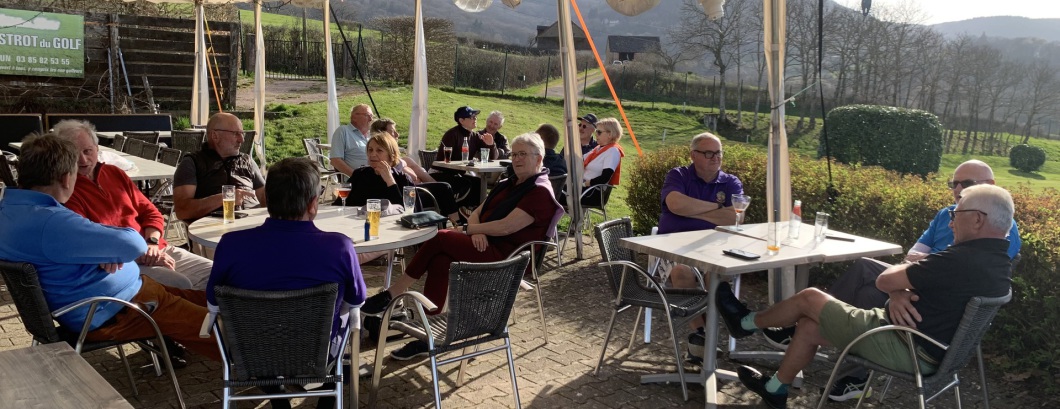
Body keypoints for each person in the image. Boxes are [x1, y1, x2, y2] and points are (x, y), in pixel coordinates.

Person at [718, 184, 1014, 409]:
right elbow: (925, 286)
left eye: (955, 214)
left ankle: (744, 323)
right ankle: (775, 389)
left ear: (977, 219)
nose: (951, 222)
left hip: (905, 346)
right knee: (808, 326)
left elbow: (886, 279)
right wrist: (900, 290)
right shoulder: (999, 262)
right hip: (936, 352)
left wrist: (897, 288)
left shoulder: (958, 259)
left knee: (809, 298)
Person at [779, 159, 1022, 401]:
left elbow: (968, 276)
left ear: (990, 185)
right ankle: (842, 363)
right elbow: (912, 256)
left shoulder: (999, 229)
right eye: (953, 183)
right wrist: (898, 290)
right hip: (916, 284)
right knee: (865, 268)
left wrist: (917, 271)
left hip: (931, 307)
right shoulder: (946, 214)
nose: (957, 189)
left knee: (865, 292)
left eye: (967, 183)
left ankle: (839, 358)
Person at [0, 133, 219, 361]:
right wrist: (111, 247)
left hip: (117, 301)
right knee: (222, 326)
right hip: (117, 310)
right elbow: (133, 243)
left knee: (217, 304)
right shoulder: (52, 222)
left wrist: (105, 249)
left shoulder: (10, 210)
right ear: (66, 179)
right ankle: (241, 363)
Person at [361, 133, 564, 361]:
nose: (516, 159)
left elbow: (506, 227)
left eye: (523, 154)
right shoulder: (510, 183)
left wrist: (469, 230)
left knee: (441, 237)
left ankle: (394, 292)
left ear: (539, 158)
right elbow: (477, 211)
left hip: (508, 260)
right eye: (514, 154)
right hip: (487, 245)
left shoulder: (539, 191)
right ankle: (427, 335)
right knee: (440, 261)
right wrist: (477, 230)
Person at [207, 158, 367, 409]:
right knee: (348, 321)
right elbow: (356, 300)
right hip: (319, 352)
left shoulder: (230, 245)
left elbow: (214, 305)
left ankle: (277, 396)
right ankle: (329, 396)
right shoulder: (339, 247)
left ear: (268, 200)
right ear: (313, 204)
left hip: (253, 354)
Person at [56, 120, 214, 290]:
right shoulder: (65, 189)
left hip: (155, 247)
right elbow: (92, 240)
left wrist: (152, 243)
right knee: (181, 284)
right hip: (123, 263)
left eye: (88, 151)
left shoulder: (114, 173)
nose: (83, 159)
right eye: (74, 153)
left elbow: (151, 212)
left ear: (97, 148)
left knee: (219, 273)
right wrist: (141, 253)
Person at [657, 132, 742, 361]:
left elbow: (734, 217)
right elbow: (675, 204)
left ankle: (702, 341)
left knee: (716, 276)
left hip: (713, 248)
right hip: (673, 247)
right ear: (693, 155)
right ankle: (703, 334)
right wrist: (717, 207)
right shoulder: (678, 175)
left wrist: (691, 210)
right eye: (708, 153)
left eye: (718, 153)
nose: (715, 158)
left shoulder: (730, 182)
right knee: (681, 272)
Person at [173, 113, 266, 223]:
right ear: (215, 136)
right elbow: (182, 210)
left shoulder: (247, 161)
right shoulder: (192, 163)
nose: (241, 140)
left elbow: (264, 198)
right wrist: (225, 198)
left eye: (242, 134)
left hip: (252, 225)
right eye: (235, 134)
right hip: (213, 228)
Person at [431, 106, 497, 209]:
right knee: (465, 183)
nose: (475, 119)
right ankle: (460, 210)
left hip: (457, 174)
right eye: (471, 117)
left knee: (478, 182)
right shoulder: (452, 134)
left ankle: (473, 211)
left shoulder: (475, 136)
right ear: (461, 120)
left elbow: (492, 158)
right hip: (440, 173)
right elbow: (443, 161)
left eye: (475, 117)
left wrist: (491, 144)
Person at [581, 117, 624, 207]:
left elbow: (605, 177)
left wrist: (585, 184)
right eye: (596, 131)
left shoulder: (612, 151)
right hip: (584, 188)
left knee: (557, 192)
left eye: (599, 132)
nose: (596, 134)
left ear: (610, 134)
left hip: (592, 193)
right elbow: (579, 160)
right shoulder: (598, 149)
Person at [330, 103, 374, 177]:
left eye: (372, 116)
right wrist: (356, 177)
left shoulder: (372, 135)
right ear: (354, 117)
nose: (371, 119)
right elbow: (335, 160)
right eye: (367, 115)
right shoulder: (343, 131)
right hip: (355, 180)